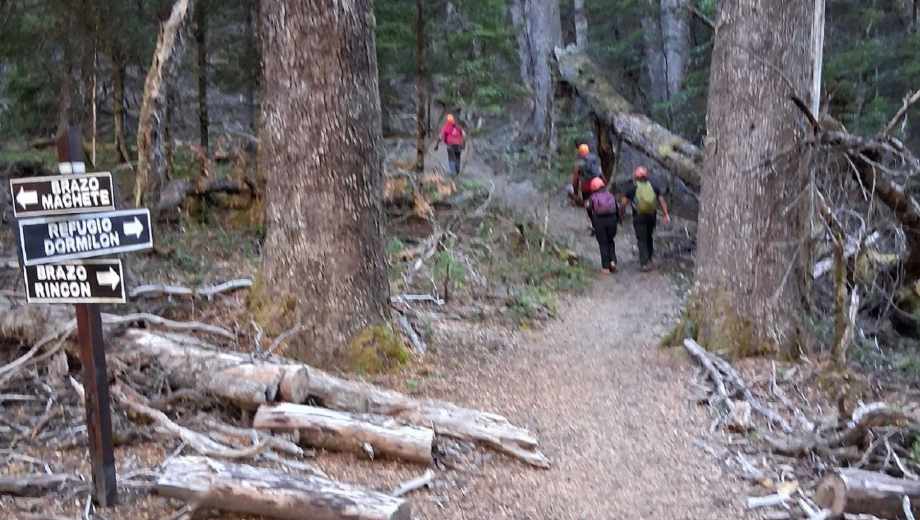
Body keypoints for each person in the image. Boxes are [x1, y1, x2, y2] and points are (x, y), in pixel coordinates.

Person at [621, 166, 670, 271]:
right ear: (646, 176)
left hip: (639, 216)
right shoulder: (653, 186)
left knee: (641, 239)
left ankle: (644, 263)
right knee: (649, 236)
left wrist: (621, 214)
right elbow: (661, 201)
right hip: (652, 215)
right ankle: (650, 259)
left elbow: (623, 203)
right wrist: (666, 214)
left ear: (636, 177)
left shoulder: (632, 187)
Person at [584, 176, 620, 274]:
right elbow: (617, 209)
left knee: (603, 243)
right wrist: (617, 220)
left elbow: (588, 209)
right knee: (610, 241)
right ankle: (613, 261)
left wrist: (592, 220)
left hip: (599, 222)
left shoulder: (592, 198)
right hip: (612, 220)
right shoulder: (610, 195)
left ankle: (605, 267)